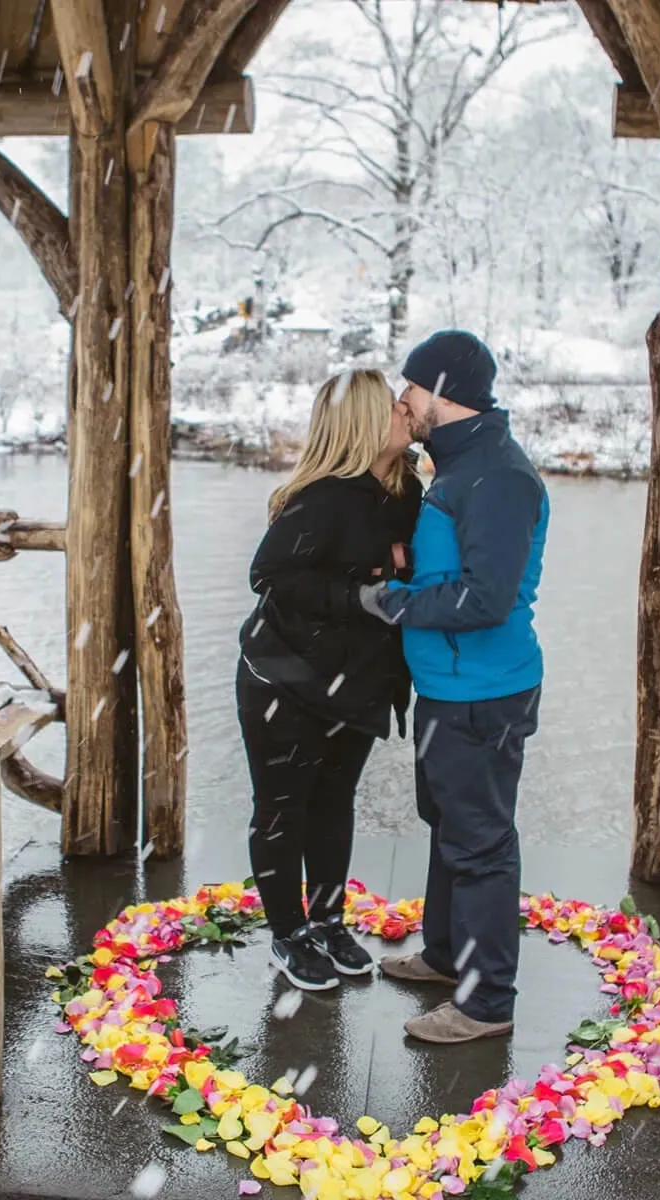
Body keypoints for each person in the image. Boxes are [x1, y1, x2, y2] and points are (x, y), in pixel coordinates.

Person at [358, 330, 548, 1044]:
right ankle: (446, 957)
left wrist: (392, 603)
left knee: (480, 843)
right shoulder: (459, 466)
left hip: (483, 692)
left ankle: (487, 1003)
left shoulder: (497, 475)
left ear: (440, 392)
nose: (402, 400)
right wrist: (407, 572)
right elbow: (453, 573)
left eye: (409, 386)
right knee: (450, 827)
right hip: (449, 687)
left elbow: (487, 599)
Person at [238, 369, 421, 992]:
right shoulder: (320, 500)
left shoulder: (405, 489)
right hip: (286, 679)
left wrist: (399, 566)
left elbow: (405, 557)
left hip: (357, 682)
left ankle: (328, 921)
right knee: (285, 807)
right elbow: (270, 576)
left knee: (334, 803)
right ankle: (288, 934)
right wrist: (360, 593)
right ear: (364, 424)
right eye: (394, 406)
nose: (406, 411)